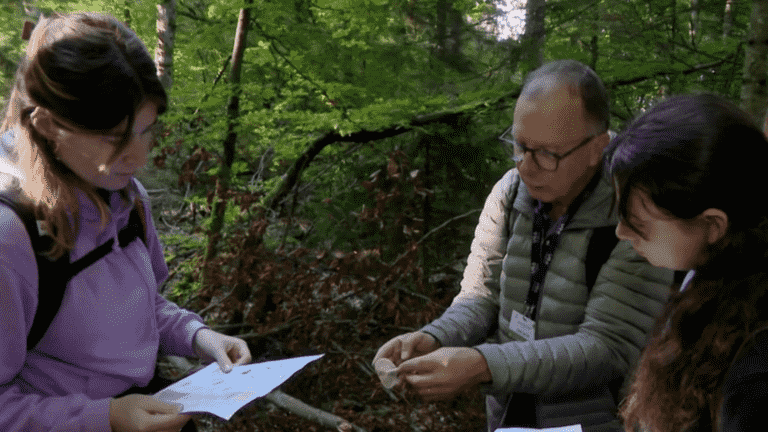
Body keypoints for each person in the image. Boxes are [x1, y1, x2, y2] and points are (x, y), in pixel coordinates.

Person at [373, 59, 675, 432]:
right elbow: (480, 296)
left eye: (548, 154)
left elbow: (607, 348)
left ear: (598, 147)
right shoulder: (510, 191)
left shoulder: (634, 216)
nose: (527, 167)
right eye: (519, 146)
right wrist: (435, 336)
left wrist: (484, 365)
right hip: (507, 416)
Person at [0, 12, 251, 432]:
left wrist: (199, 337)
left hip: (145, 406)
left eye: (147, 131)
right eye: (113, 137)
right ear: (47, 126)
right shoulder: (12, 240)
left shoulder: (127, 198)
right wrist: (106, 417)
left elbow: (143, 304)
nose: (138, 157)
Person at [606, 93, 768, 432]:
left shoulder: (754, 376)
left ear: (712, 226)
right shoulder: (708, 278)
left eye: (640, 226)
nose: (622, 232)